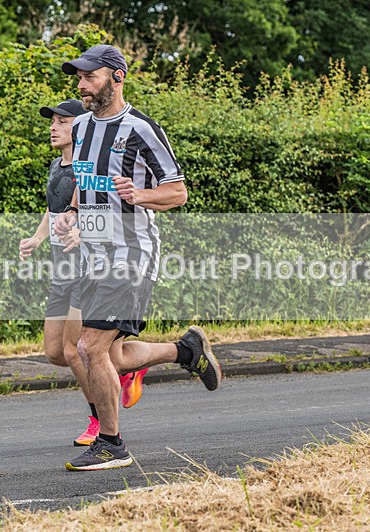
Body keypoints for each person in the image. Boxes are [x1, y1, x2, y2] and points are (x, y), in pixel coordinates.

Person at [53, 44, 222, 471]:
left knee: (90, 346)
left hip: (130, 254)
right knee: (111, 357)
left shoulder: (142, 129)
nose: (81, 85)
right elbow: (85, 179)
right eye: (80, 77)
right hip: (93, 254)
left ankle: (112, 444)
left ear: (117, 77)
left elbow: (178, 191)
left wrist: (140, 194)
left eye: (89, 77)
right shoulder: (85, 127)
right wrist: (72, 214)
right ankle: (186, 351)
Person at [18, 98, 148, 448]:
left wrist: (82, 231)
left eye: (62, 121)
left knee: (78, 351)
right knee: (55, 353)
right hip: (62, 268)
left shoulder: (89, 166)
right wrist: (37, 237)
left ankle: (99, 424)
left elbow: (107, 208)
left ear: (80, 127)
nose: (53, 127)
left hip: (87, 268)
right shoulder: (56, 165)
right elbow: (54, 208)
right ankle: (126, 367)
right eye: (53, 121)